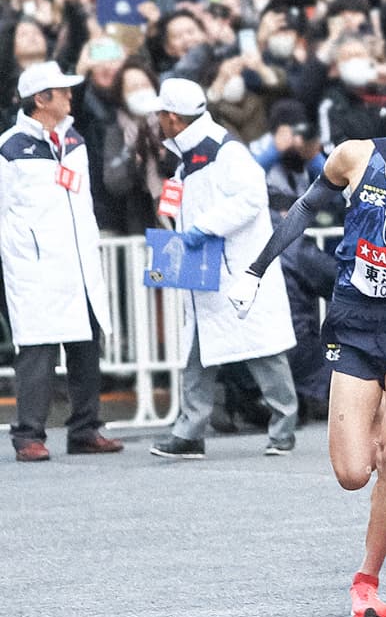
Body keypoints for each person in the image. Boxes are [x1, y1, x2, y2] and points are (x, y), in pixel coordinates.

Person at [226, 54, 386, 617]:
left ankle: (367, 578)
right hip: (356, 322)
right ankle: (372, 413)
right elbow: (302, 210)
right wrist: (255, 270)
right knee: (351, 473)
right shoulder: (356, 156)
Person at [146, 78, 301, 459]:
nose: (158, 120)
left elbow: (252, 198)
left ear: (172, 117)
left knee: (263, 350)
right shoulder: (192, 153)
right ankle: (190, 433)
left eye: (160, 114)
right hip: (208, 273)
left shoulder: (224, 150)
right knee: (198, 354)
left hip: (235, 270)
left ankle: (283, 428)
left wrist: (203, 227)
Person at [1, 61, 123, 461]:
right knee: (37, 350)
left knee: (86, 344)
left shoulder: (74, 141)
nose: (71, 96)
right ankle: (28, 434)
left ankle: (85, 428)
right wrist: (21, 252)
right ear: (41, 99)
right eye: (63, 91)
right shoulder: (9, 149)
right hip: (36, 267)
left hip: (80, 263)